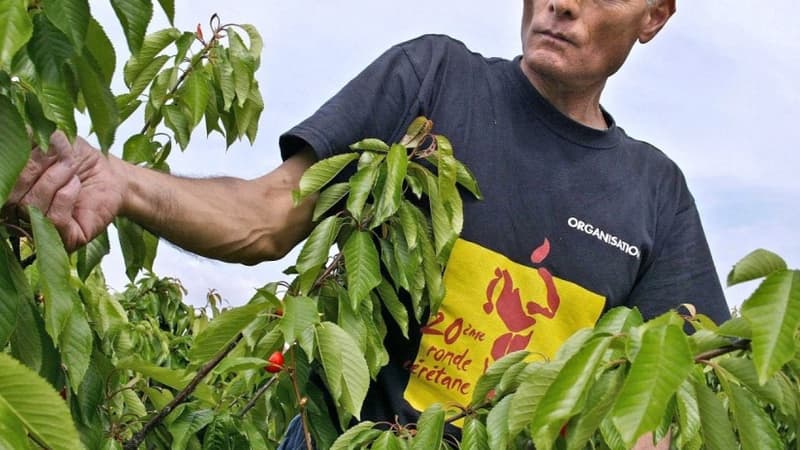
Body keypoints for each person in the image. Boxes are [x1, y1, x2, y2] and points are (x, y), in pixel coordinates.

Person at [5, 0, 729, 448]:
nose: (559, 5)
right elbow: (265, 218)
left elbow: (659, 405)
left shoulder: (654, 194)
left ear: (655, 15)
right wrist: (124, 181)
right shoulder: (435, 79)